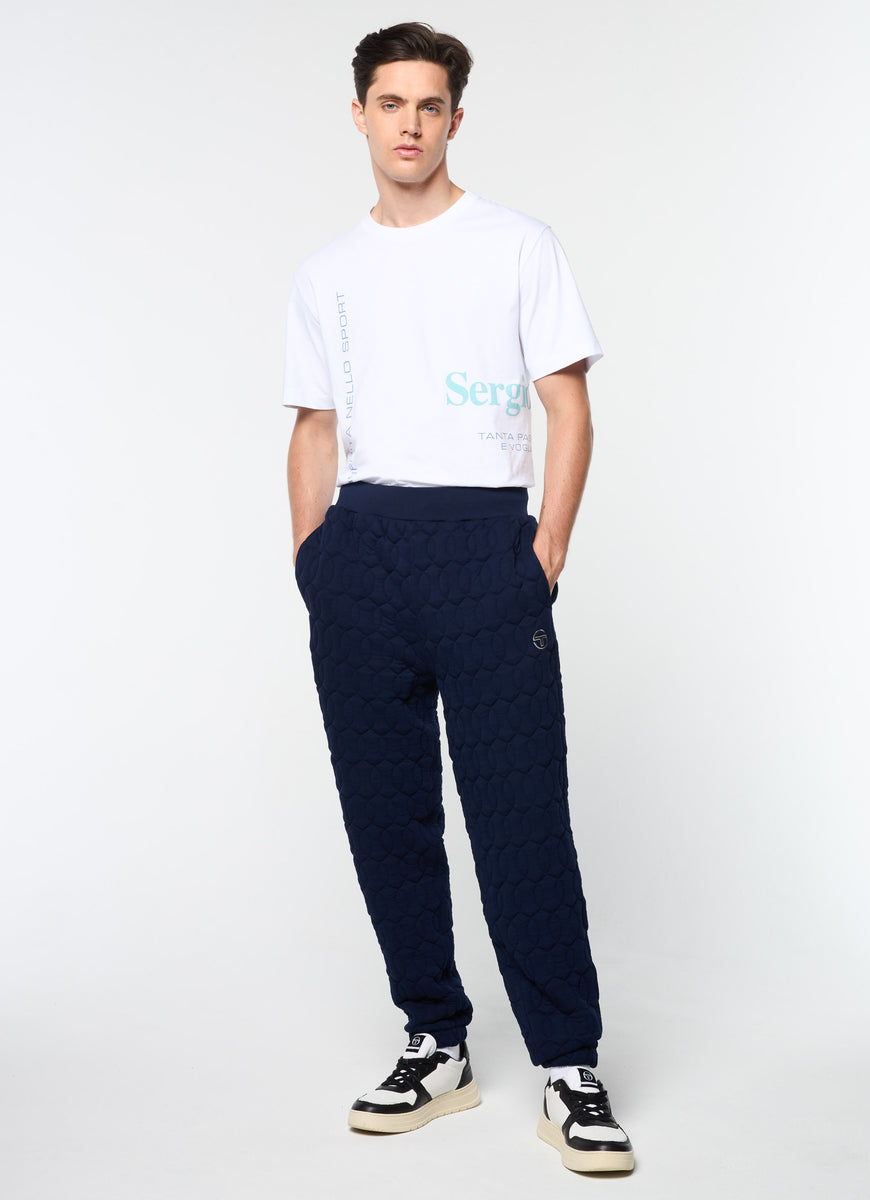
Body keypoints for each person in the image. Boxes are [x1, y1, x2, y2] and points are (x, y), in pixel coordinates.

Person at [283, 21, 634, 1174]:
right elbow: (315, 427)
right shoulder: (326, 273)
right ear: (360, 114)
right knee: (386, 815)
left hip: (487, 547)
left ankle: (569, 1066)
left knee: (521, 816)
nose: (410, 123)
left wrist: (544, 549)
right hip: (362, 555)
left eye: (429, 105)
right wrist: (313, 563)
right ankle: (435, 1041)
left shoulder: (517, 245)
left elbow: (568, 406)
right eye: (390, 103)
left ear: (455, 119)